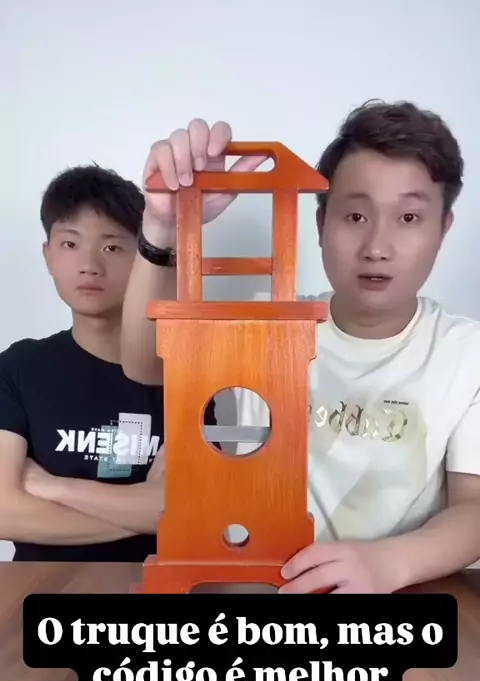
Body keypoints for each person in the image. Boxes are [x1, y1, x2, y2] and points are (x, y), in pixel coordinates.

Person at [120, 103, 480, 593]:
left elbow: (474, 509)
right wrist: (162, 227)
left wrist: (388, 564)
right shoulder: (260, 325)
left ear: (443, 229)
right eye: (356, 215)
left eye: (409, 217)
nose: (377, 246)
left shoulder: (466, 354)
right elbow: (144, 364)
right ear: (321, 223)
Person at [0, 164, 215, 562]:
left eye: (112, 247)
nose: (90, 265)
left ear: (143, 259)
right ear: (48, 255)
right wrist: (149, 510)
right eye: (70, 244)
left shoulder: (188, 376)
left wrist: (53, 487)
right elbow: (5, 513)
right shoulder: (18, 368)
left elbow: (199, 507)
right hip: (44, 590)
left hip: (153, 590)